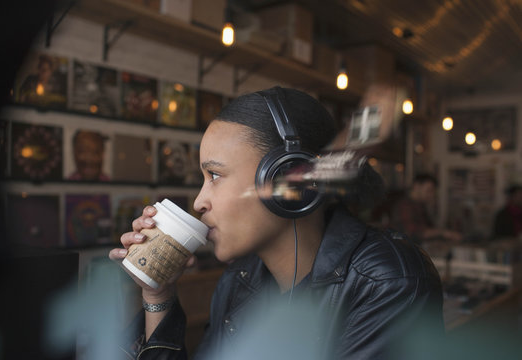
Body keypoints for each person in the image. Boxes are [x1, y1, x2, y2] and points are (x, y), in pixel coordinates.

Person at [109, 87, 444, 359]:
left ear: (287, 181)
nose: (199, 201)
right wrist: (159, 294)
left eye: (215, 175)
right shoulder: (239, 280)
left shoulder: (388, 282)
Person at [390, 173, 462, 244]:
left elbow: (429, 227)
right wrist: (443, 233)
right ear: (417, 186)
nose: (431, 194)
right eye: (429, 190)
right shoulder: (404, 205)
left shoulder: (421, 205)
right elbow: (413, 232)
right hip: (406, 251)